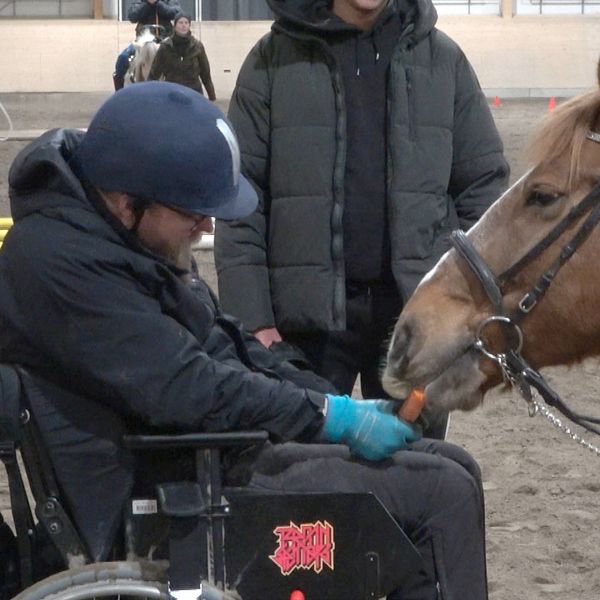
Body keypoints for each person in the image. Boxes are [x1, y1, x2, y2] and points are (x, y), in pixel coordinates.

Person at [1, 82, 487, 599]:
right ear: (127, 203)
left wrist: (331, 401)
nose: (208, 225)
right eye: (193, 213)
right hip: (173, 497)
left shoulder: (114, 240)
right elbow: (188, 386)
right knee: (444, 495)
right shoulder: (62, 267)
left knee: (453, 463)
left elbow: (226, 344)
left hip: (204, 455)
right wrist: (327, 417)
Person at [214, 0, 510, 439]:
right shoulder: (271, 62)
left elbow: (484, 190)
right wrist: (253, 319)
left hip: (415, 319)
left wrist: (462, 305)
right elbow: (241, 198)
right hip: (303, 326)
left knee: (412, 477)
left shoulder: (445, 62)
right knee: (302, 477)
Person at [113, 0, 181, 91]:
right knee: (123, 58)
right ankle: (119, 93)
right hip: (142, 41)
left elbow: (175, 13)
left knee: (182, 60)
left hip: (166, 40)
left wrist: (158, 4)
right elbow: (132, 16)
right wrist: (148, 4)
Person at [148, 13, 216, 100]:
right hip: (171, 94)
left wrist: (212, 97)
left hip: (194, 94)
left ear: (189, 25)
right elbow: (154, 73)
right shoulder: (165, 47)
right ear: (175, 26)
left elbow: (206, 75)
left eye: (186, 23)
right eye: (180, 23)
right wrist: (148, 94)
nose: (183, 25)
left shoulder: (198, 46)